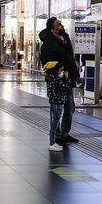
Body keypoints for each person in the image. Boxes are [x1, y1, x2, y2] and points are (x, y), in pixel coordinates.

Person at [39, 16, 80, 150]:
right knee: (57, 109)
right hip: (58, 81)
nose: (61, 26)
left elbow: (70, 58)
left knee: (70, 107)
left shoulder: (66, 38)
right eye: (58, 25)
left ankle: (64, 133)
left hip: (68, 78)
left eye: (61, 24)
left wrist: (76, 74)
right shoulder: (48, 43)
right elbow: (47, 63)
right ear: (52, 29)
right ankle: (56, 136)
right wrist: (59, 74)